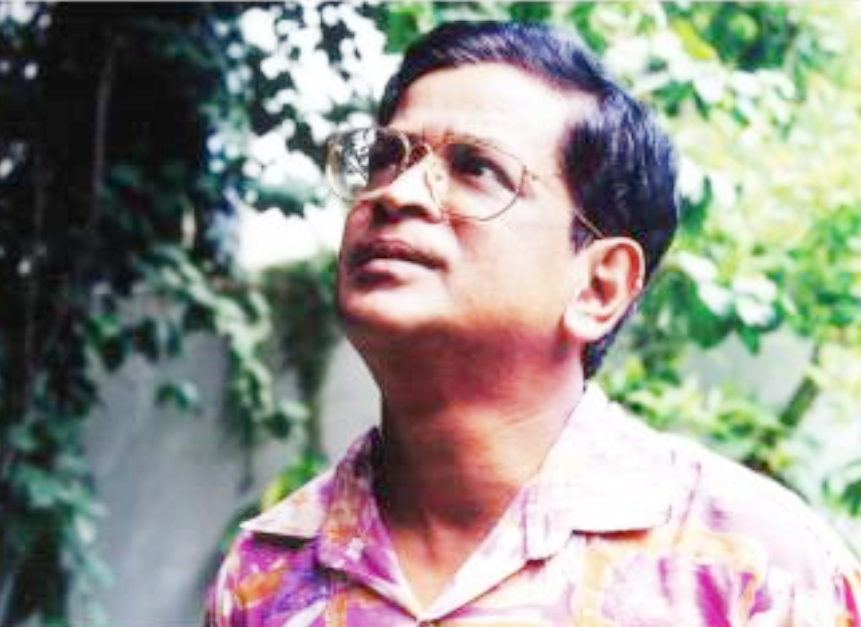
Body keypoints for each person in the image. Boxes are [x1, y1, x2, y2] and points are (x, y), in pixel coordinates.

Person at [206, 21, 860, 626]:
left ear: (598, 287)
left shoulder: (752, 567)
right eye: (387, 156)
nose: (395, 193)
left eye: (476, 168)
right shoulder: (264, 576)